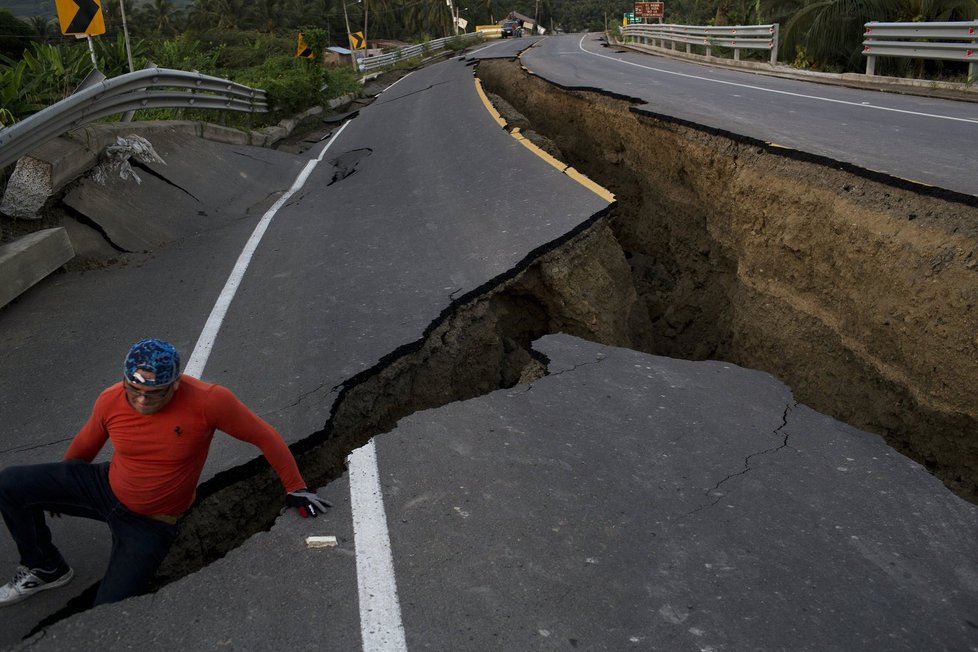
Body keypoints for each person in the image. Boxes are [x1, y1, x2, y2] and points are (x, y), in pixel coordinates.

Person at [0, 338, 329, 607]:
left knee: (108, 610)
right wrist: (56, 490)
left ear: (175, 385)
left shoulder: (209, 401)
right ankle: (44, 566)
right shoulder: (110, 399)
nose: (142, 400)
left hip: (151, 522)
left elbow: (264, 435)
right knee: (9, 484)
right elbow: (83, 449)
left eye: (154, 393)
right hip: (105, 486)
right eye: (134, 390)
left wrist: (295, 486)